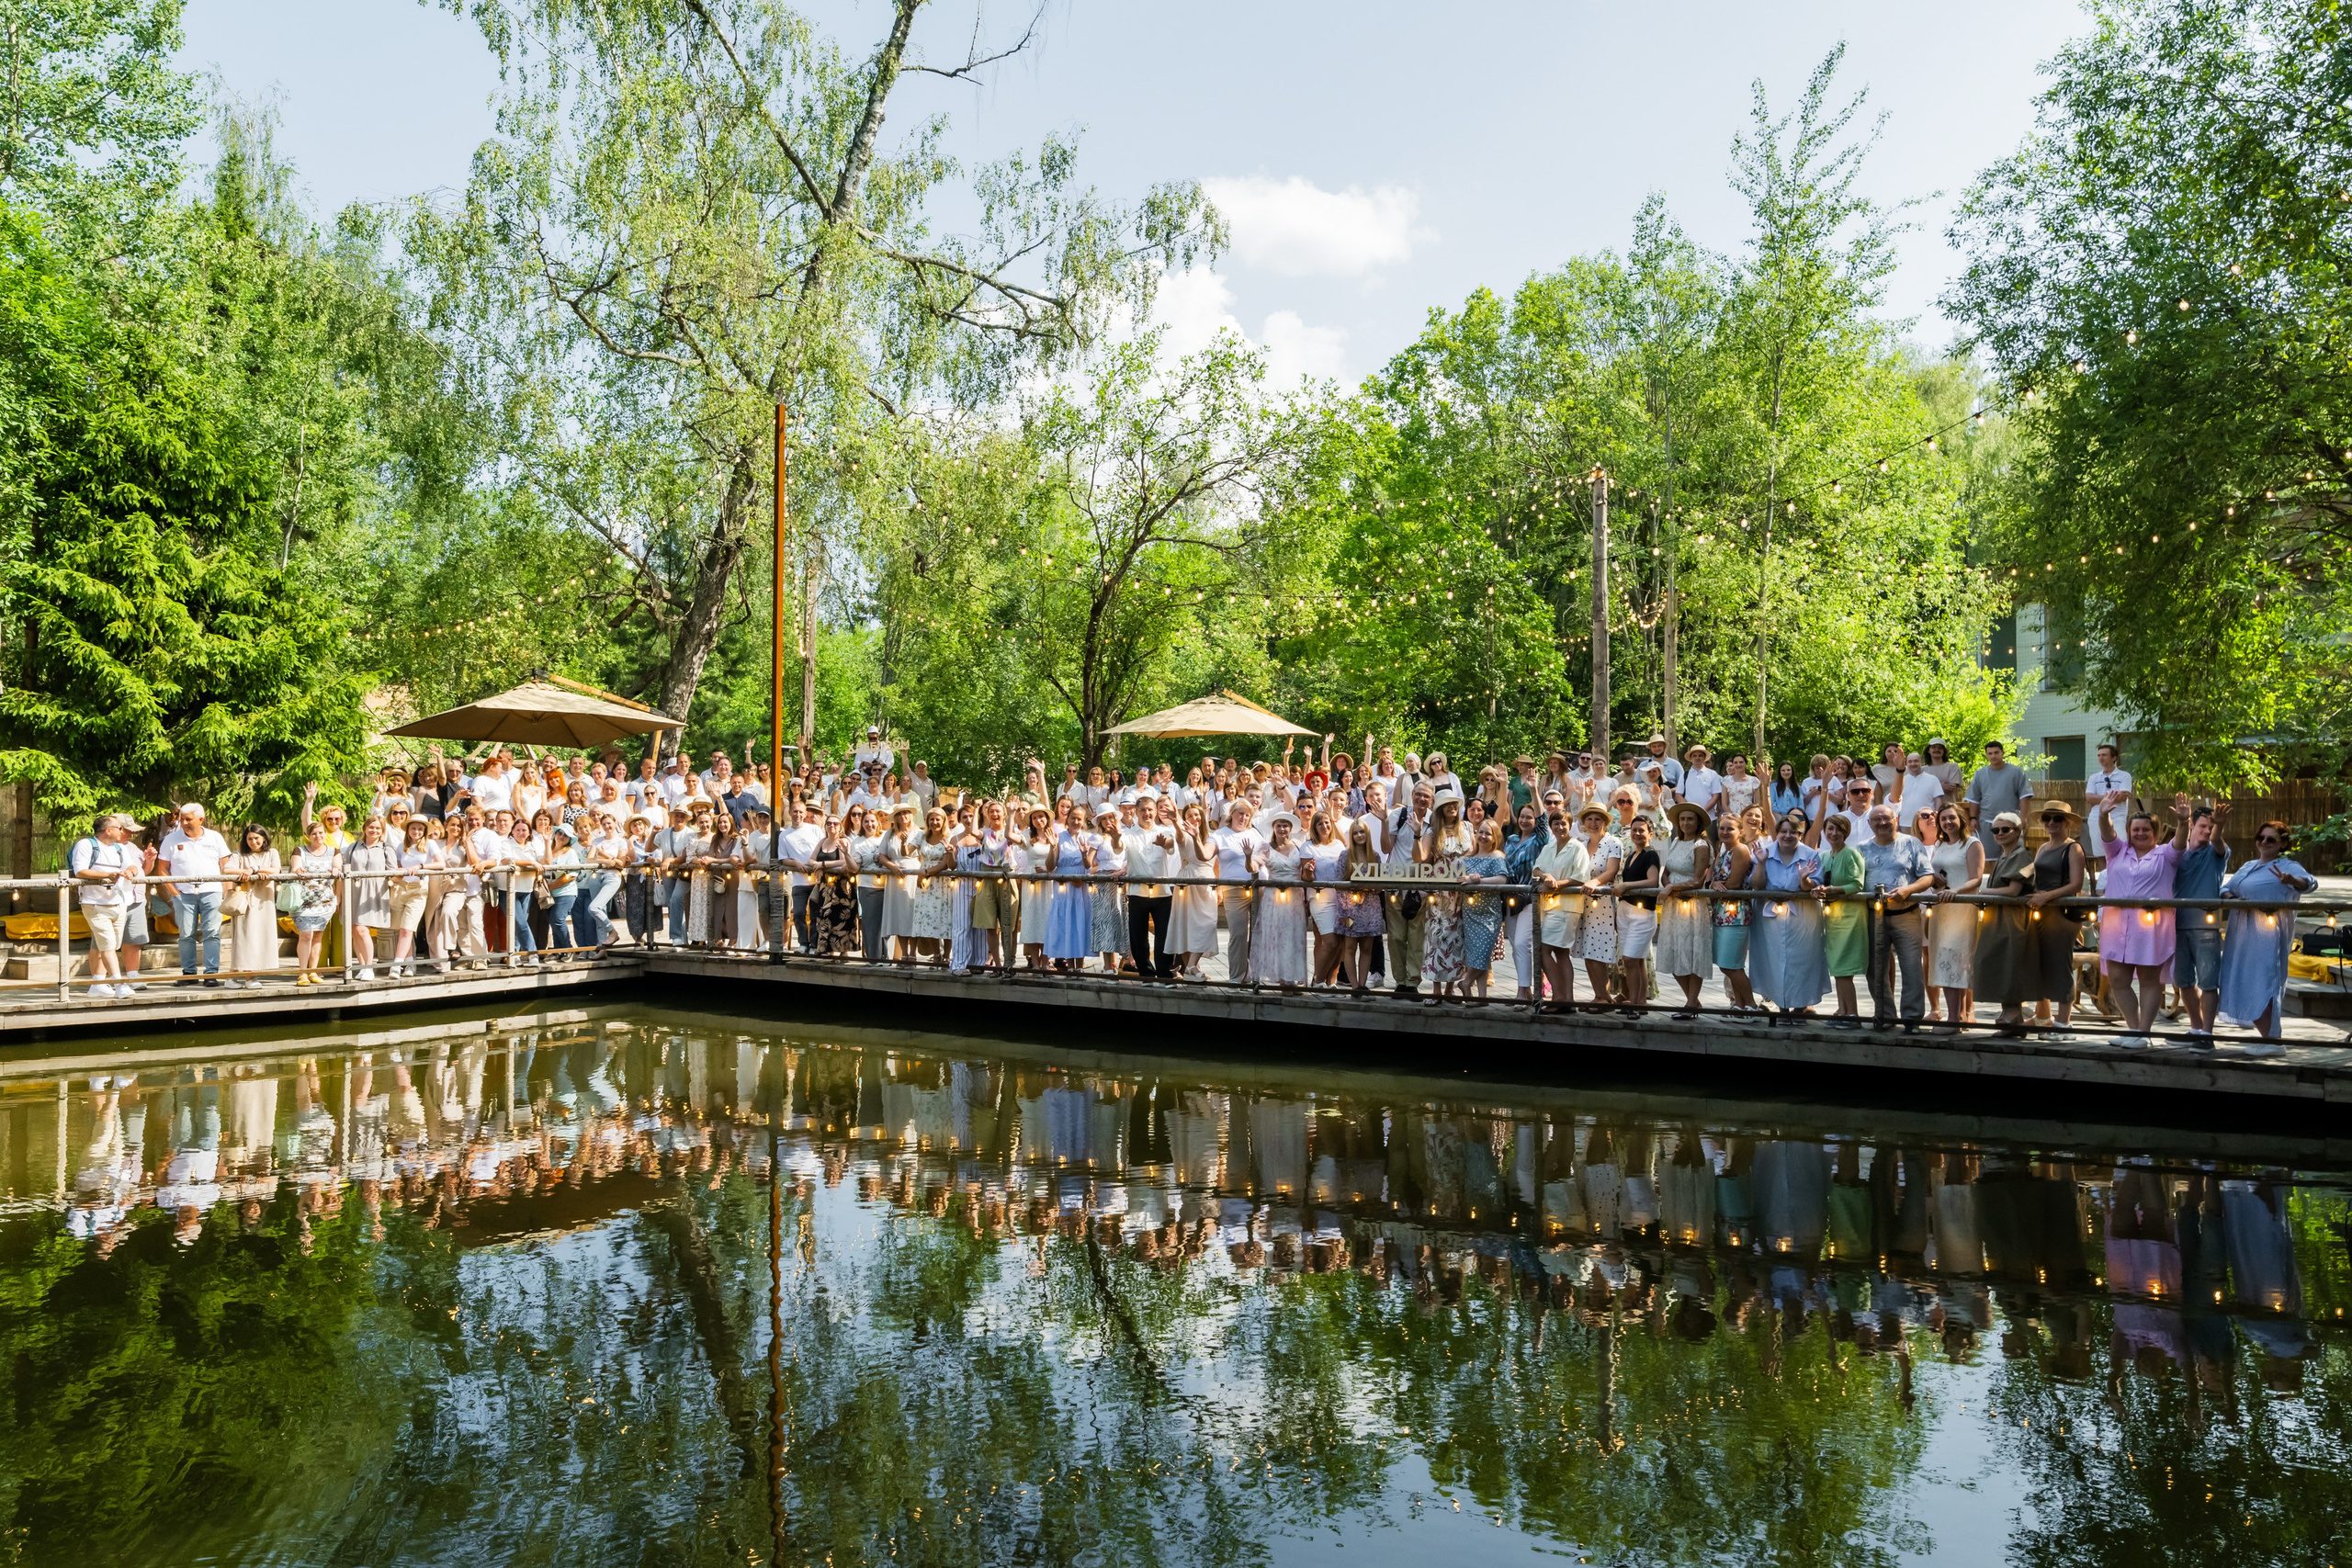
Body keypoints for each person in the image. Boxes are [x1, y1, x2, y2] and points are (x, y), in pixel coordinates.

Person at [2218, 819, 2313, 1053]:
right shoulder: (2248, 865)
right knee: (2242, 980)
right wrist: (2232, 899)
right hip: (2241, 934)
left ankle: (2274, 1040)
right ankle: (2268, 1038)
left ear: (2283, 844)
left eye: (2271, 839)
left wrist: (2291, 881)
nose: (2264, 843)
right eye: (2260, 838)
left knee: (2264, 982)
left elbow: (2310, 883)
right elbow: (2225, 888)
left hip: (2267, 935)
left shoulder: (2289, 866)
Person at [2097, 807, 2180, 1043]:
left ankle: (2145, 1032)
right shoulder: (2117, 852)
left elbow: (2181, 842)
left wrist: (2183, 821)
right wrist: (2103, 814)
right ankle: (2133, 1030)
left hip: (2150, 928)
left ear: (2156, 833)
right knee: (2117, 980)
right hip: (2116, 926)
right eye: (2136, 829)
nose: (2140, 833)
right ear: (2129, 832)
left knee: (2148, 980)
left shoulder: (2165, 855)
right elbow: (2107, 831)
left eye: (2146, 829)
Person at [1855, 804, 1935, 1031]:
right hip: (1873, 916)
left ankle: (1912, 1018)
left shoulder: (1911, 843)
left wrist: (1908, 890)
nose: (1882, 822)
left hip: (1906, 915)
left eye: (1886, 818)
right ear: (1870, 823)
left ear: (1896, 819)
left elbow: (1927, 876)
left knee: (1912, 968)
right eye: (1876, 819)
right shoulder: (1861, 849)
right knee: (1875, 970)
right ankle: (1885, 1015)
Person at [1747, 811, 1826, 1021]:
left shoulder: (1811, 854)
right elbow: (1756, 885)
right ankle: (1781, 1006)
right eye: (1783, 831)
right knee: (1773, 960)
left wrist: (1804, 880)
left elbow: (1815, 887)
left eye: (1793, 832)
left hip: (1803, 917)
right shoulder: (1764, 852)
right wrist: (1762, 864)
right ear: (1777, 833)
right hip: (1769, 917)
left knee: (1802, 960)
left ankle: (1800, 1006)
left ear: (1800, 834)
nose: (1788, 836)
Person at [2171, 796, 2233, 1042]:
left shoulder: (2217, 853)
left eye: (2210, 826)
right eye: (2203, 826)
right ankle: (2196, 1028)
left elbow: (2218, 839)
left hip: (2205, 928)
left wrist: (2220, 825)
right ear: (2192, 826)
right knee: (2183, 981)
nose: (2207, 831)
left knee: (2208, 982)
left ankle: (2207, 1033)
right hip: (2176, 925)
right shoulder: (2177, 852)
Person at [1971, 812, 2039, 1034]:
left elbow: (2013, 890)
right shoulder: (2003, 856)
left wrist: (1983, 892)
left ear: (2018, 831)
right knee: (1998, 963)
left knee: (2010, 963)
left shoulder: (2022, 856)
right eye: (1995, 830)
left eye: (2005, 829)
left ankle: (2012, 1011)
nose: (1999, 834)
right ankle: (2013, 1019)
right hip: (1996, 917)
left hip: (2013, 919)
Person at [2025, 802, 2087, 1038]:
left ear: (2067, 822)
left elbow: (2076, 884)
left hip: (2062, 913)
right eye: (2047, 818)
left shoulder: (2073, 849)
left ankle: (2065, 1023)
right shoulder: (2042, 848)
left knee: (2060, 965)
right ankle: (2043, 1016)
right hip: (2040, 912)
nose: (2051, 823)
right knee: (2040, 964)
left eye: (2057, 819)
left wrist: (2047, 897)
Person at [68, 813, 142, 998]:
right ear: (109, 830)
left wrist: (129, 873)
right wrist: (107, 875)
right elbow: (80, 871)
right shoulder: (85, 845)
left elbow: (133, 867)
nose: (122, 831)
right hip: (94, 903)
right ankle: (119, 984)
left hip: (118, 902)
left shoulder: (119, 848)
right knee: (107, 944)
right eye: (119, 828)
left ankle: (98, 983)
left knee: (109, 944)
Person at [158, 802, 232, 987]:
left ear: (201, 819)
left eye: (188, 819)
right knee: (186, 934)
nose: (183, 823)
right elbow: (162, 870)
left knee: (212, 933)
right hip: (184, 893)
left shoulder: (215, 837)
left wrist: (226, 891)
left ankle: (211, 973)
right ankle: (189, 973)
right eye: (182, 819)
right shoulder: (171, 840)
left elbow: (226, 867)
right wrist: (175, 893)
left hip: (212, 892)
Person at [1926, 803, 1984, 1029]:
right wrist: (1934, 880)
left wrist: (1956, 891)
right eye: (1943, 819)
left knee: (1956, 959)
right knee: (1943, 959)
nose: (1947, 822)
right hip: (1941, 907)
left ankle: (1955, 1017)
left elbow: (1976, 878)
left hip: (1962, 906)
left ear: (1961, 819)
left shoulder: (1971, 844)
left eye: (1952, 818)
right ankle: (1956, 1016)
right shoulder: (1940, 845)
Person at [1654, 802, 1713, 1019]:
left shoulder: (1701, 845)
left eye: (1690, 819)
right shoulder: (1677, 841)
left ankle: (1690, 1003)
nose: (1686, 823)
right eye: (1683, 819)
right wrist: (1667, 882)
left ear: (1697, 823)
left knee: (1691, 950)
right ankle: (1693, 1000)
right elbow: (1666, 871)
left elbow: (1698, 880)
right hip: (1673, 905)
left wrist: (1672, 887)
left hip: (1692, 904)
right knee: (1673, 949)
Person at [1532, 803, 1589, 1011]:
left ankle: (1558, 998)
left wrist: (1557, 884)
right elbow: (1536, 868)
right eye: (1555, 823)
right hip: (1548, 907)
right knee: (1562, 953)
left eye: (1563, 824)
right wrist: (1546, 876)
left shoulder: (1577, 847)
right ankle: (1568, 1000)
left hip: (1566, 907)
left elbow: (1580, 877)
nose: (1559, 827)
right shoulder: (1548, 847)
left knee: (1543, 950)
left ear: (1570, 825)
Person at [1815, 815, 1869, 1027]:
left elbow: (1857, 884)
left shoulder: (1851, 854)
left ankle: (1852, 1014)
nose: (1833, 833)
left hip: (1851, 916)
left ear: (1845, 832)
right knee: (1836, 967)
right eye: (1830, 829)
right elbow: (1820, 879)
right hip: (1833, 916)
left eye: (1838, 829)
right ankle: (1842, 1009)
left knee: (1844, 968)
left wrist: (1833, 889)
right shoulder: (1826, 856)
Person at [1572, 803, 1625, 1009]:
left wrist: (1595, 882)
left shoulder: (1613, 843)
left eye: (1597, 819)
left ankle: (1604, 996)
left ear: (1604, 822)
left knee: (1598, 950)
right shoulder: (1580, 843)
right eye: (1589, 819)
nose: (1593, 823)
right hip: (1581, 901)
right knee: (1587, 949)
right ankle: (1599, 995)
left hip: (1602, 901)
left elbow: (1611, 870)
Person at [1383, 783, 1433, 998]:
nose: (1422, 799)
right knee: (1395, 937)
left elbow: (1421, 857)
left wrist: (1417, 834)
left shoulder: (1432, 820)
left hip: (1418, 888)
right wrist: (1385, 821)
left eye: (1426, 797)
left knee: (1416, 936)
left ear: (1431, 800)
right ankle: (1399, 981)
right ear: (1412, 795)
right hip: (1394, 884)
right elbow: (1386, 848)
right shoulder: (1398, 815)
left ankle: (1412, 981)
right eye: (1419, 795)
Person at [1611, 814, 1663, 1019]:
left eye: (1642, 830)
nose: (1637, 833)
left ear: (1650, 834)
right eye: (1634, 830)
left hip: (1642, 913)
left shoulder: (1651, 854)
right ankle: (1640, 1002)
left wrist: (1626, 885)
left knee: (1630, 959)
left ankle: (1634, 1001)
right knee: (1637, 960)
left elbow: (1652, 882)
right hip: (1625, 911)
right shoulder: (1632, 854)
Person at [219, 824, 282, 989]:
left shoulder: (271, 853)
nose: (253, 842)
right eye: (250, 839)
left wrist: (256, 869)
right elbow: (226, 869)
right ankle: (241, 977)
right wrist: (245, 872)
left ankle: (245, 976)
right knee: (244, 938)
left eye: (256, 838)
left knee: (261, 937)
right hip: (245, 901)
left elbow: (276, 869)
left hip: (264, 901)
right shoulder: (239, 854)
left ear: (263, 838)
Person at [1250, 812, 1309, 991]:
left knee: (1294, 935)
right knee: (1277, 936)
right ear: (1274, 828)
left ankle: (1292, 977)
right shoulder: (1266, 847)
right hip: (1274, 896)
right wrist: (1248, 857)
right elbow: (1253, 867)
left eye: (1285, 825)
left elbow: (1305, 872)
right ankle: (1282, 978)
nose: (1282, 829)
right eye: (1279, 825)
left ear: (1290, 828)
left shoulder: (1299, 846)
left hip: (1295, 897)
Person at [1707, 810, 1756, 1012]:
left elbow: (1735, 882)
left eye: (1730, 828)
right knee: (1727, 965)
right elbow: (1709, 879)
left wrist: (1715, 885)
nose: (1725, 832)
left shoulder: (1740, 850)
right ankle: (1740, 1005)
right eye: (1722, 828)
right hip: (1720, 913)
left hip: (1736, 915)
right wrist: (1713, 884)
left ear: (1740, 831)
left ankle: (1751, 1005)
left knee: (1731, 965)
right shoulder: (1722, 851)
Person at [1213, 799, 1265, 983]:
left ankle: (1253, 975)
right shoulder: (1221, 834)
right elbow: (1206, 855)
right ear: (1232, 814)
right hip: (1234, 889)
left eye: (1247, 814)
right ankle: (1236, 977)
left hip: (1259, 888)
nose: (1243, 817)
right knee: (1238, 934)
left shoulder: (1255, 833)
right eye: (1240, 813)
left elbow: (1266, 854)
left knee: (1258, 933)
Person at [1456, 820, 1509, 1004]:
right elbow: (1458, 879)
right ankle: (1481, 997)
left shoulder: (1496, 855)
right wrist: (1465, 880)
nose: (1483, 836)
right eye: (1480, 832)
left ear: (1495, 837)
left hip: (1489, 913)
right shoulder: (1467, 858)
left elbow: (1502, 880)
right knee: (1477, 953)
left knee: (1484, 952)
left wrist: (1478, 880)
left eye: (1488, 833)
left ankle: (1466, 982)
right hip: (1470, 911)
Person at [1335, 818, 1386, 993]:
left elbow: (1380, 885)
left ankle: (1363, 986)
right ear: (1351, 835)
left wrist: (1373, 886)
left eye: (1362, 831)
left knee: (1367, 948)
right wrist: (1343, 912)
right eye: (1355, 832)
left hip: (1371, 907)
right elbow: (1339, 885)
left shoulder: (1375, 856)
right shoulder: (1345, 855)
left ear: (1367, 834)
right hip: (1350, 908)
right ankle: (1354, 986)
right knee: (1350, 948)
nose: (1359, 835)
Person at [1173, 802, 1222, 980]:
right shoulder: (1184, 835)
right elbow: (1178, 836)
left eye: (1197, 814)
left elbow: (1216, 865)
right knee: (1187, 926)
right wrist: (1175, 822)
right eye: (1190, 815)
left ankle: (1192, 966)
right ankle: (1192, 968)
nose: (1195, 818)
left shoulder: (1211, 838)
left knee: (1207, 923)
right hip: (1188, 882)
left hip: (1207, 883)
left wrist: (1219, 888)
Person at [345, 815, 397, 980]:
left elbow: (393, 872)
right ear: (365, 828)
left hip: (374, 891)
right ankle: (362, 966)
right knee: (355, 930)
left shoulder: (386, 849)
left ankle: (369, 966)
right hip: (353, 891)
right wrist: (339, 898)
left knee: (362, 929)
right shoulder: (353, 847)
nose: (374, 830)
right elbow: (344, 870)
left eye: (378, 828)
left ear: (382, 831)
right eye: (371, 827)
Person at [289, 819, 340, 987]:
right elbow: (296, 866)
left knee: (318, 936)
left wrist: (335, 870)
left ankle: (313, 970)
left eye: (321, 832)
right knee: (306, 935)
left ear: (325, 834)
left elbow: (338, 868)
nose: (318, 836)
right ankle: (302, 972)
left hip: (324, 901)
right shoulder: (300, 851)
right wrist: (298, 870)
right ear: (308, 836)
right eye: (314, 834)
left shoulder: (334, 851)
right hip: (303, 901)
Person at [1962, 740, 2033, 853]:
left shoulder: (2016, 772)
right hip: (1987, 822)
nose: (1993, 756)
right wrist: (1973, 818)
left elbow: (2025, 796)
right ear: (1986, 755)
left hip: (2011, 823)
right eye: (1990, 753)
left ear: (2002, 753)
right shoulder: (1980, 774)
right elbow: (1973, 799)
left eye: (1996, 752)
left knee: (2014, 855)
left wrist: (2023, 818)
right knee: (1989, 858)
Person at [1084, 804, 1127, 974]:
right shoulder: (1097, 838)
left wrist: (1123, 870)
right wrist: (1084, 854)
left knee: (1118, 921)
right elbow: (1089, 864)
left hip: (1120, 882)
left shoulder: (1124, 835)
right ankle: (1107, 965)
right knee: (1104, 923)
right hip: (1103, 881)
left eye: (1110, 817)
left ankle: (1117, 962)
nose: (1108, 821)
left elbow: (1129, 858)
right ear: (1100, 821)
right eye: (1104, 818)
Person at [2086, 742, 2134, 887]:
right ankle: (2104, 885)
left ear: (2114, 758)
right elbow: (2089, 798)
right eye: (2099, 755)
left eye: (2104, 755)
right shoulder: (2094, 777)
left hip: (2117, 818)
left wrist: (2100, 799)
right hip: (2095, 818)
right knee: (2100, 853)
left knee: (2120, 850)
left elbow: (2124, 796)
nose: (2101, 758)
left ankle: (2121, 882)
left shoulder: (2124, 776)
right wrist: (2111, 797)